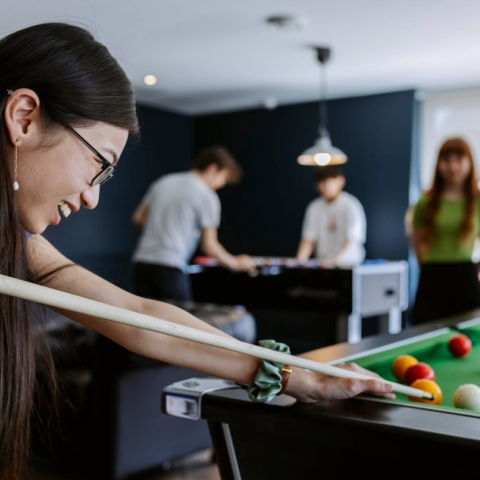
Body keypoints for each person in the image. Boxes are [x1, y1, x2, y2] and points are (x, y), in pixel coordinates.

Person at [0, 23, 392, 480]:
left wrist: (293, 373)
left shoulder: (21, 244)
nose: (92, 197)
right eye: (98, 164)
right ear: (24, 117)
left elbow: (141, 318)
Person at [132, 147, 254, 301]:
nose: (222, 184)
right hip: (170, 267)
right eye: (223, 178)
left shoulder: (163, 182)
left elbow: (138, 218)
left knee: (144, 320)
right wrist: (235, 263)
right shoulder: (207, 196)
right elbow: (209, 245)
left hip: (141, 263)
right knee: (180, 323)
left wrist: (163, 228)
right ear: (213, 168)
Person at [411, 138, 480, 325]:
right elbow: (416, 241)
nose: (452, 166)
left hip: (466, 276)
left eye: (459, 159)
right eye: (446, 160)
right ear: (439, 164)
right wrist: (428, 267)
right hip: (432, 277)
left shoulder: (477, 201)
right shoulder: (425, 201)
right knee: (423, 329)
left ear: (469, 163)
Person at [296, 165, 367, 267]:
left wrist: (335, 261)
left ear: (340, 181)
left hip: (349, 266)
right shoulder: (314, 207)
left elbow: (352, 238)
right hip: (323, 266)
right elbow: (308, 239)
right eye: (319, 183)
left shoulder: (351, 205)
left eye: (326, 182)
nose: (322, 187)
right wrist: (298, 264)